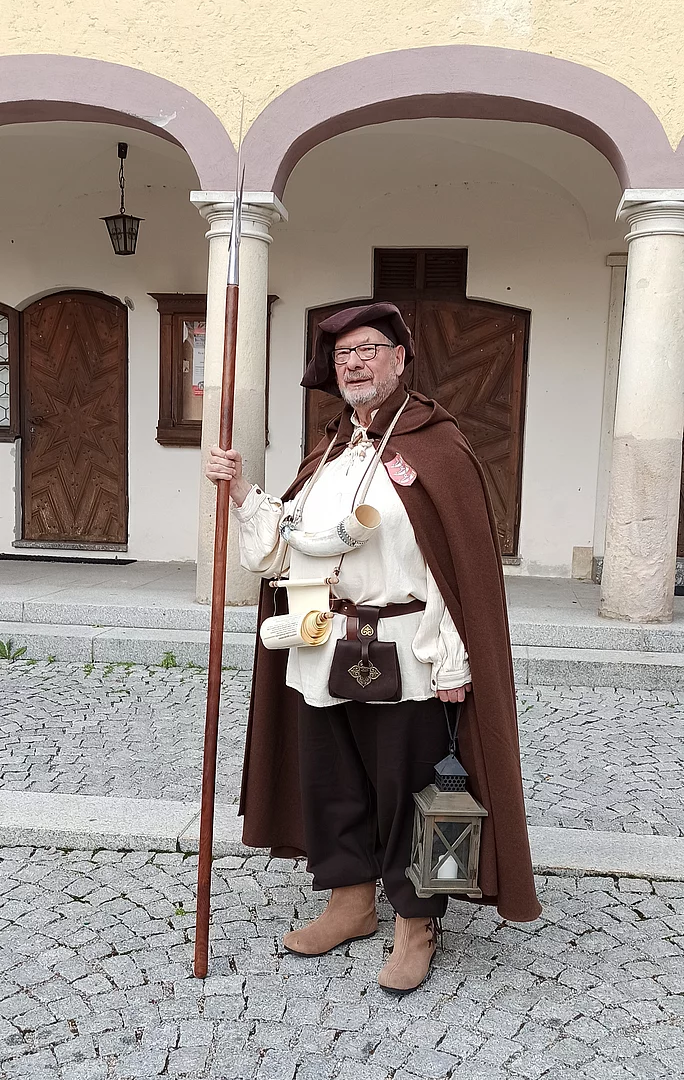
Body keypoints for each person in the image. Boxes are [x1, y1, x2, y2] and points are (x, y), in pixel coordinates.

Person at [207, 302, 540, 994]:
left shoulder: (436, 445)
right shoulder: (330, 451)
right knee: (332, 780)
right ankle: (351, 901)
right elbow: (288, 547)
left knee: (409, 788)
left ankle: (416, 924)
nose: (353, 364)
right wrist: (240, 494)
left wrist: (454, 655)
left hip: (408, 649)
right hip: (324, 644)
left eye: (367, 350)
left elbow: (455, 567)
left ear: (399, 358)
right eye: (341, 355)